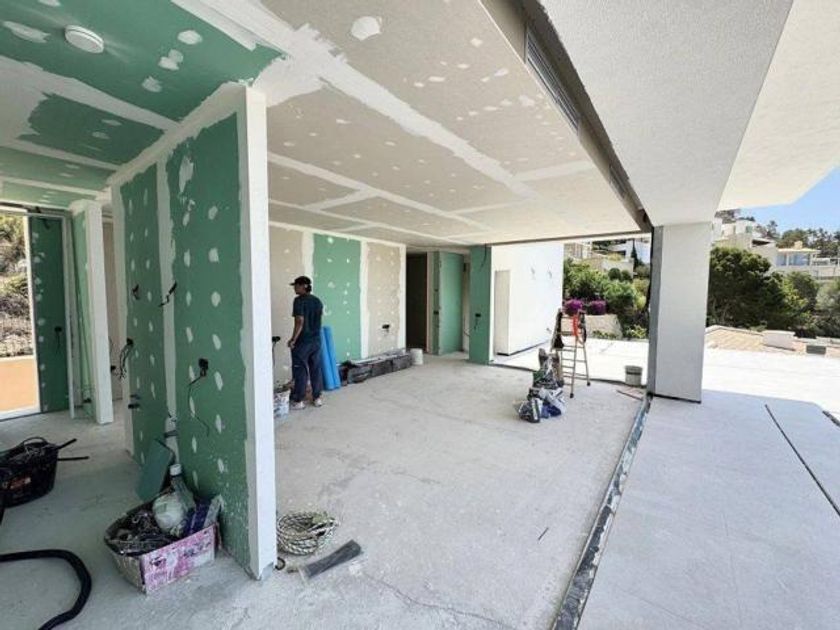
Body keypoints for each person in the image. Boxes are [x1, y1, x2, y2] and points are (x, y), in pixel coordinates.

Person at [287, 276, 324, 409]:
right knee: (315, 368)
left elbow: (300, 321)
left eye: (296, 285)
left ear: (303, 286)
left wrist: (293, 339)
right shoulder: (317, 301)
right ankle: (317, 398)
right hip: (316, 340)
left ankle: (299, 400)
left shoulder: (299, 301)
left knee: (300, 370)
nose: (294, 288)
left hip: (303, 342)